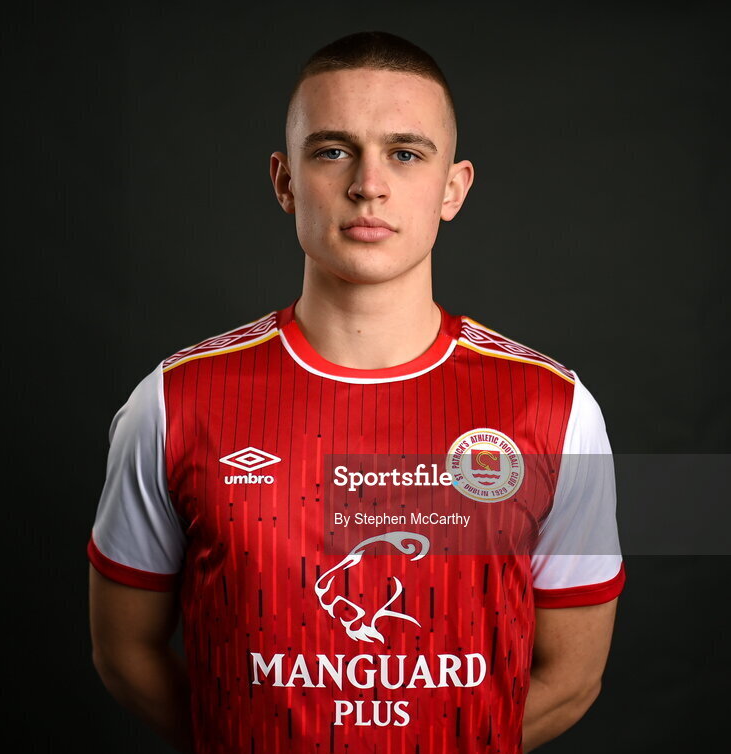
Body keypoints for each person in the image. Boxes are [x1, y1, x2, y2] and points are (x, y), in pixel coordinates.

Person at [87, 30, 624, 754]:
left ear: (453, 188)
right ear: (284, 181)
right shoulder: (174, 402)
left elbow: (574, 675)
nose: (368, 183)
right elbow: (125, 654)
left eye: (405, 153)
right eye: (333, 150)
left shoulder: (554, 410)